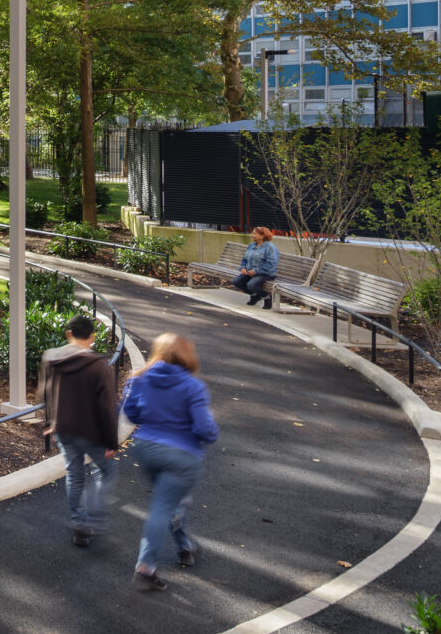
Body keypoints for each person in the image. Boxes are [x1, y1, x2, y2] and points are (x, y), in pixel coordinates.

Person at [120, 332, 217, 591]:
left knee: (169, 502)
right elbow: (206, 430)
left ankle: (185, 546)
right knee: (164, 507)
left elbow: (130, 413)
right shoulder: (192, 386)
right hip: (182, 456)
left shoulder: (140, 378)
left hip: (146, 450)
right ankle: (145, 568)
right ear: (187, 354)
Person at [38, 314, 120, 547]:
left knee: (74, 475)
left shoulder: (51, 358)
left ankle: (79, 523)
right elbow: (107, 407)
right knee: (106, 472)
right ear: (92, 337)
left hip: (64, 429)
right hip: (92, 432)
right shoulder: (99, 366)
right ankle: (93, 515)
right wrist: (111, 442)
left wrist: (51, 423)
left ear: (68, 334)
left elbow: (45, 393)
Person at [235, 227, 281, 310]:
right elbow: (245, 259)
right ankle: (255, 296)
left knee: (251, 284)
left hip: (266, 273)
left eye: (254, 234)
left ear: (262, 236)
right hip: (250, 272)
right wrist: (243, 267)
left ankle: (267, 298)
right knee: (236, 282)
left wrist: (256, 271)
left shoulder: (270, 248)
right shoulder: (251, 246)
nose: (251, 235)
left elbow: (271, 264)